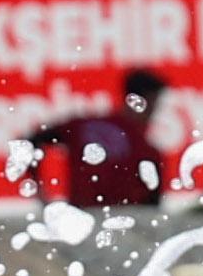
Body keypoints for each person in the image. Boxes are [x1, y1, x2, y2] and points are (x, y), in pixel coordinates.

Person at [24, 66, 173, 210]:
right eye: (155, 104)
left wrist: (44, 197)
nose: (155, 113)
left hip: (82, 221)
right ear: (145, 101)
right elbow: (151, 213)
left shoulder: (83, 127)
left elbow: (29, 144)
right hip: (123, 224)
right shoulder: (146, 150)